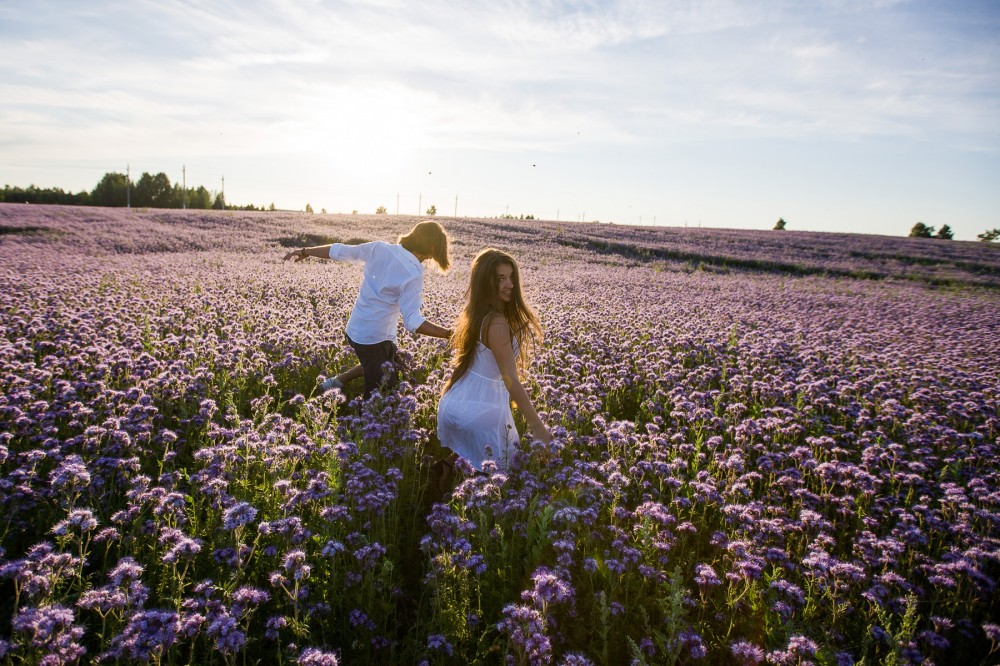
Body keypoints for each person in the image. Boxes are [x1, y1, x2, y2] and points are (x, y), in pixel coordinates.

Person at [283, 220, 453, 399]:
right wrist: (450, 334)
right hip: (374, 339)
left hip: (355, 329)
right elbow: (413, 321)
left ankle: (336, 382)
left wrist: (305, 251)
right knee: (380, 394)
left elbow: (339, 251)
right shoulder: (412, 274)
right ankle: (359, 420)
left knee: (387, 364)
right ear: (432, 248)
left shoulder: (380, 248)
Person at [434, 248, 552, 488]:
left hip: (456, 403)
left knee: (472, 454)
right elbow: (510, 380)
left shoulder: (475, 314)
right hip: (483, 410)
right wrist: (538, 428)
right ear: (485, 282)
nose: (509, 284)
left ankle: (442, 474)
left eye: (511, 277)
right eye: (500, 279)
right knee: (502, 476)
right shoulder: (497, 323)